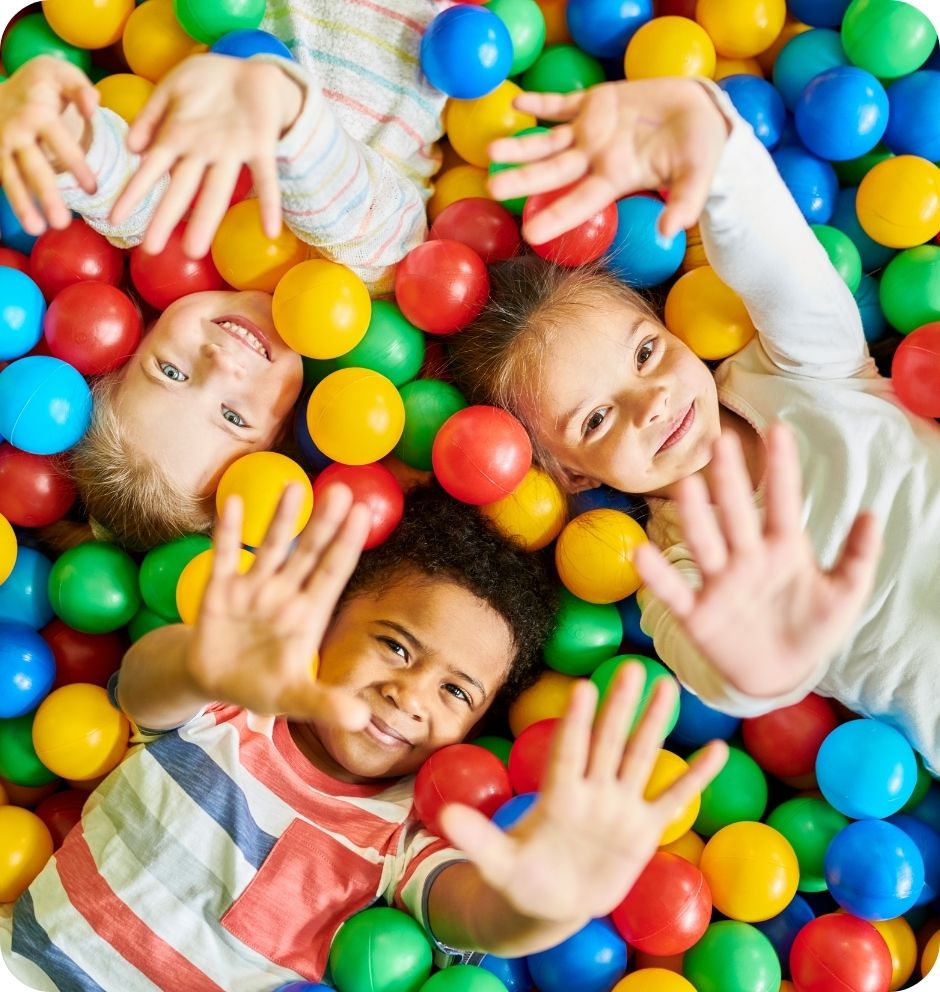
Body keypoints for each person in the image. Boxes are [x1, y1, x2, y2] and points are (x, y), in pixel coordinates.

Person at [0, 482, 725, 991]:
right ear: (328, 622)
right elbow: (142, 689)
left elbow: (473, 909)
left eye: (455, 692)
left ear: (477, 727)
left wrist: (545, 903)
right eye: (397, 647)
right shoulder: (232, 709)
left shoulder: (405, 833)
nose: (408, 694)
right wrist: (201, 660)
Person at [448, 75, 940, 771]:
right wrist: (765, 663)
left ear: (665, 326)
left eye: (646, 353)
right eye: (595, 418)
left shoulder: (799, 372)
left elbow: (777, 260)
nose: (650, 402)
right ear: (573, 473)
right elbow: (722, 669)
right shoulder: (670, 569)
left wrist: (714, 145)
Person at [0, 0, 447, 548]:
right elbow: (359, 206)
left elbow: (114, 180)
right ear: (285, 433)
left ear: (135, 335)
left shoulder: (183, 228)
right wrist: (282, 114)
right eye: (234, 418)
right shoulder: (364, 283)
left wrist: (46, 132)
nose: (219, 365)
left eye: (170, 371)